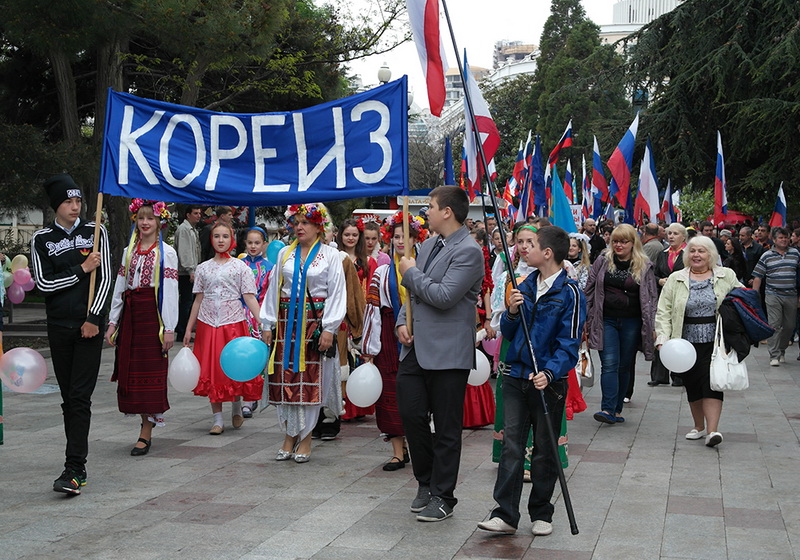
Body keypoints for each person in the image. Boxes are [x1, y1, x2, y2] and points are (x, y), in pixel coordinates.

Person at [477, 225, 585, 537]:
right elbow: (510, 333)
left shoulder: (570, 293)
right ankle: (505, 514)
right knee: (512, 445)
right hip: (515, 377)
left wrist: (550, 372)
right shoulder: (523, 285)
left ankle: (542, 512)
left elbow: (570, 342)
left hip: (547, 382)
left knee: (544, 449)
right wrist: (510, 312)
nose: (525, 248)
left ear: (548, 253)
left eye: (532, 244)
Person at [396, 185, 484, 522]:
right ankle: (425, 479)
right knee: (411, 414)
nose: (426, 213)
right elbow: (415, 299)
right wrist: (401, 327)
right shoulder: (430, 244)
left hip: (448, 351)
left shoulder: (469, 251)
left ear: (447, 211)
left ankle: (443, 495)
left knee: (447, 427)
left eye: (430, 207)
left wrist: (410, 273)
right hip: (416, 347)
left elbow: (445, 295)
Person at [31, 174, 112, 495]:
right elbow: (44, 284)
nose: (75, 207)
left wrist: (94, 318)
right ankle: (74, 462)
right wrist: (81, 270)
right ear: (56, 206)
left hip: (88, 328)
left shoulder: (96, 232)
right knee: (68, 399)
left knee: (80, 397)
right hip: (59, 328)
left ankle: (74, 468)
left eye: (78, 201)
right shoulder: (42, 239)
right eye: (68, 201)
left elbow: (105, 278)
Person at [261, 204, 346, 463]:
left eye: (305, 222)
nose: (299, 227)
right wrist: (267, 324)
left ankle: (307, 436)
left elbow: (336, 292)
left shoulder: (331, 255)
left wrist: (330, 328)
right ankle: (288, 435)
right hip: (286, 322)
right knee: (285, 379)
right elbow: (275, 289)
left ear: (318, 226)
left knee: (310, 381)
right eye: (296, 222)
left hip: (313, 322)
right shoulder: (285, 254)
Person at [105, 200, 178, 456]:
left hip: (152, 316)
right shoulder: (129, 251)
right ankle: (141, 422)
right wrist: (113, 321)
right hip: (131, 314)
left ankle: (146, 430)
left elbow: (170, 292)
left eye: (150, 218)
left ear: (160, 222)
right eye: (141, 218)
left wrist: (169, 326)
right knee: (132, 371)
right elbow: (120, 287)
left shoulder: (166, 252)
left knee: (151, 370)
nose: (145, 223)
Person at [655, 236, 742, 447]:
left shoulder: (726, 275)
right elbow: (663, 311)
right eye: (692, 251)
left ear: (710, 255)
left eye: (701, 251)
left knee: (712, 383)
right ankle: (698, 426)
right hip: (683, 343)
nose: (696, 255)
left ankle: (713, 431)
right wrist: (662, 339)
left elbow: (742, 299)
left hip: (716, 340)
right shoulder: (676, 278)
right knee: (692, 384)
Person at [183, 221, 264, 434]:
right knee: (211, 371)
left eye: (225, 236)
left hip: (233, 324)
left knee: (235, 367)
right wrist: (189, 328)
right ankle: (217, 418)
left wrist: (263, 323)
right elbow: (198, 301)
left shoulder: (241, 267)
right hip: (208, 325)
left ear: (232, 239)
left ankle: (236, 406)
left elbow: (250, 297)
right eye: (217, 236)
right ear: (212, 239)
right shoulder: (203, 268)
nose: (221, 240)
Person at [362, 211, 427, 471]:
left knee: (419, 394)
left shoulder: (424, 268)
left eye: (406, 236)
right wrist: (369, 347)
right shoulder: (382, 272)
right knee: (391, 393)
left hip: (423, 335)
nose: (401, 241)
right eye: (397, 236)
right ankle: (398, 451)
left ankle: (419, 444)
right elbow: (373, 311)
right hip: (389, 336)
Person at [585, 224, 657, 423]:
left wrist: (652, 325)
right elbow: (589, 289)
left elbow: (651, 296)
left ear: (633, 243)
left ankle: (617, 409)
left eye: (623, 241)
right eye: (615, 241)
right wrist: (585, 316)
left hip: (632, 321)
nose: (618, 245)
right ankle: (607, 409)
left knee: (625, 365)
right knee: (609, 363)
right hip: (605, 319)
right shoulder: (602, 260)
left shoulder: (644, 264)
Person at [751, 227, 800, 366]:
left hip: (791, 295)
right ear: (774, 239)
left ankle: (782, 349)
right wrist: (755, 294)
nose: (784, 240)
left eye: (786, 237)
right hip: (773, 294)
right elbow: (758, 276)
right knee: (774, 325)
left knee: (790, 326)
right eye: (781, 238)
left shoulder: (795, 254)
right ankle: (774, 355)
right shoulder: (767, 255)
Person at [239, 227, 273, 418]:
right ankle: (242, 396)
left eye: (257, 242)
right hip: (238, 315)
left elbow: (269, 295)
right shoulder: (238, 265)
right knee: (241, 354)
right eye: (250, 242)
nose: (253, 246)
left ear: (264, 244)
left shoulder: (270, 268)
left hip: (259, 316)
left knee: (257, 356)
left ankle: (251, 396)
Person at [649, 223, 687, 387]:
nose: (671, 236)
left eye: (675, 234)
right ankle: (659, 375)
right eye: (669, 233)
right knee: (661, 332)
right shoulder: (662, 254)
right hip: (663, 296)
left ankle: (679, 375)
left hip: (682, 297)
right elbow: (654, 274)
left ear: (683, 237)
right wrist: (660, 280)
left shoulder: (688, 254)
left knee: (679, 333)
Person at [174, 204, 202, 340]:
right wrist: (191, 269)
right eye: (195, 213)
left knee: (188, 301)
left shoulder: (192, 230)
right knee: (186, 302)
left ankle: (183, 329)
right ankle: (181, 330)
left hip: (191, 270)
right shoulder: (184, 229)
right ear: (188, 214)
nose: (198, 216)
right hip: (185, 272)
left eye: (199, 213)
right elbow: (184, 252)